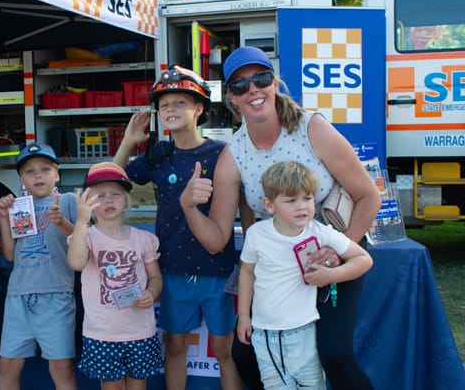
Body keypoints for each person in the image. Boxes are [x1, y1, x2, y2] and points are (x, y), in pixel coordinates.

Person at [180, 46, 382, 390]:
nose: (253, 90)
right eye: (241, 86)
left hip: (331, 249)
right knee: (245, 353)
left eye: (260, 79)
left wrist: (336, 253)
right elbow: (216, 239)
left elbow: (369, 196)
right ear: (232, 98)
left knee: (334, 353)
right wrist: (188, 206)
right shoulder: (234, 154)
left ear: (274, 83)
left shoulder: (311, 128)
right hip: (279, 264)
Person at [114, 65, 241, 390]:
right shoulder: (159, 155)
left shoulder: (222, 153)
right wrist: (129, 141)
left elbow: (245, 204)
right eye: (164, 105)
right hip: (172, 270)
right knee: (174, 347)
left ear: (199, 109)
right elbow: (109, 181)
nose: (170, 109)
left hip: (218, 270)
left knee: (224, 351)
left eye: (179, 103)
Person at [237, 161, 373, 389]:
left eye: (307, 198)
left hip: (303, 333)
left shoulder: (320, 232)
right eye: (291, 200)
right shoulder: (256, 234)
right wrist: (243, 316)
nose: (302, 206)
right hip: (263, 334)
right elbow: (247, 272)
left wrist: (332, 275)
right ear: (269, 205)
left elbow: (364, 259)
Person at [67, 162, 163, 390]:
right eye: (100, 195)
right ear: (88, 201)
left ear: (126, 200)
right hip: (102, 334)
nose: (108, 200)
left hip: (140, 331)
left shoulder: (143, 239)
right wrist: (81, 221)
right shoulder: (86, 237)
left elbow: (156, 278)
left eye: (115, 194)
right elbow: (77, 263)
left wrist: (151, 293)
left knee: (138, 386)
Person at [0, 142, 78, 390]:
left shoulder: (69, 201)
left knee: (61, 367)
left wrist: (63, 222)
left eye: (45, 169)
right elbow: (9, 254)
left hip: (56, 294)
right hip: (18, 295)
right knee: (8, 365)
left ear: (57, 174)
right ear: (21, 179)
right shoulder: (18, 207)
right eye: (30, 171)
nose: (38, 175)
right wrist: (3, 217)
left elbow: (85, 243)